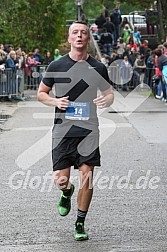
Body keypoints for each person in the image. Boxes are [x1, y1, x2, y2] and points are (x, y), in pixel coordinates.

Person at [37, 21, 114, 241]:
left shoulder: (98, 67)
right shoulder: (56, 66)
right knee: (61, 180)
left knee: (87, 177)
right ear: (69, 38)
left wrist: (105, 100)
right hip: (63, 131)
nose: (79, 36)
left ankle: (80, 223)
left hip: (89, 130)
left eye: (83, 33)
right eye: (75, 33)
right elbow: (41, 93)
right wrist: (55, 101)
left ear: (88, 38)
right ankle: (66, 192)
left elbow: (110, 93)